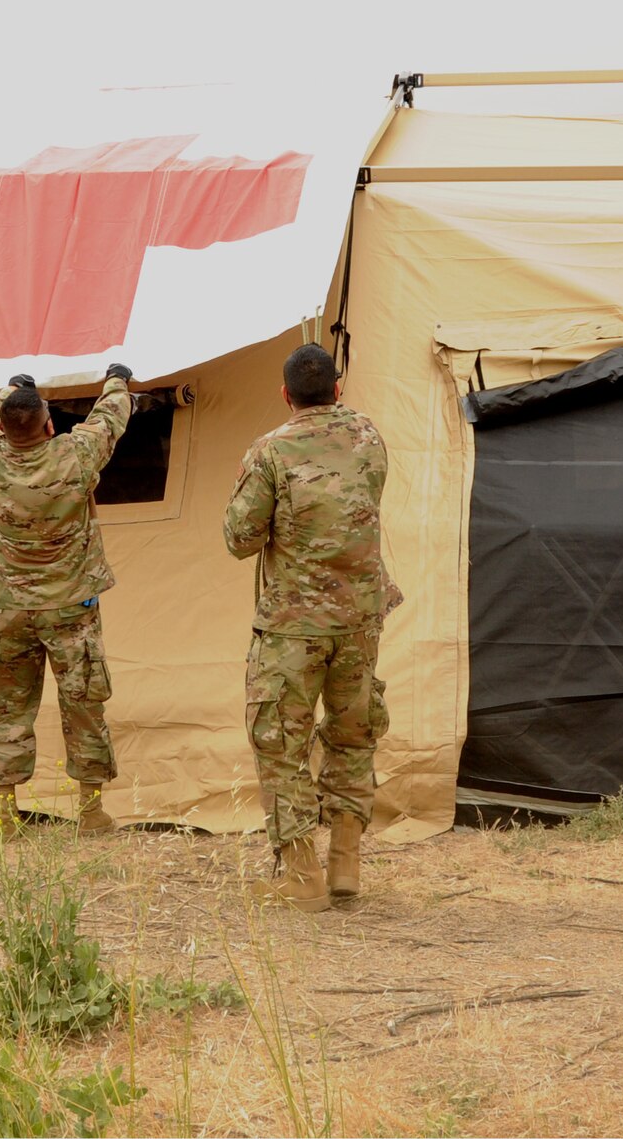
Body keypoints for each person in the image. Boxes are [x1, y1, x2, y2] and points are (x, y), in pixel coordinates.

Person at [223, 343, 401, 910]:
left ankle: (302, 874)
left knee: (279, 741)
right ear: (338, 388)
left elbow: (239, 539)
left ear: (285, 395)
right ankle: (345, 864)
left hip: (293, 625)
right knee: (353, 734)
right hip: (360, 617)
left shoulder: (271, 451)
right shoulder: (370, 437)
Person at [0, 365, 134, 832]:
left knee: (6, 708)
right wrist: (117, 379)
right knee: (83, 704)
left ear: (2, 428)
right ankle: (90, 812)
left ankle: (5, 812)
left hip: (7, 608)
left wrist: (14, 386)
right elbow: (111, 418)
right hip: (70, 607)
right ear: (50, 425)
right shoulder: (74, 456)